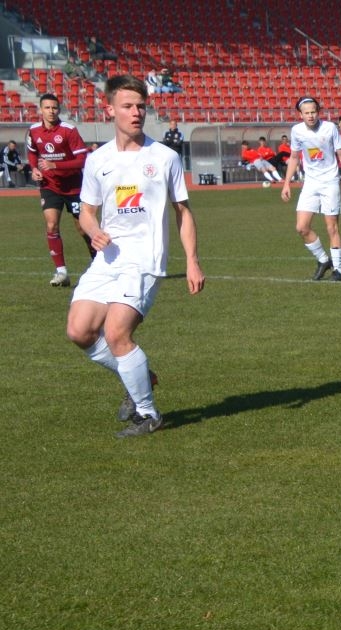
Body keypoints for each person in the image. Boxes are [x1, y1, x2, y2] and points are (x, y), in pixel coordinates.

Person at [65, 75, 204, 438]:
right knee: (79, 331)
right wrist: (93, 230)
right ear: (110, 109)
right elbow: (87, 211)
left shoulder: (164, 158)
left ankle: (148, 413)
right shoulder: (98, 160)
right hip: (107, 259)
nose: (136, 112)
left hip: (144, 260)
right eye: (127, 106)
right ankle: (141, 376)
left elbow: (183, 211)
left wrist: (192, 260)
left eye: (141, 106)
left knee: (116, 332)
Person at [281, 97, 341, 281]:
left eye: (313, 112)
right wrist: (286, 183)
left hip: (330, 181)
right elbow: (295, 157)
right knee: (301, 227)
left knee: (332, 228)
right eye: (306, 113)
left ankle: (338, 270)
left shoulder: (330, 128)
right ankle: (323, 260)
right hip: (310, 183)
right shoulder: (297, 131)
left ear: (318, 111)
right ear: (300, 114)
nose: (310, 116)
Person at [29, 92, 92, 287]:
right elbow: (32, 153)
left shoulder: (68, 130)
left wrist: (56, 166)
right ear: (41, 109)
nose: (51, 111)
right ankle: (61, 272)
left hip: (74, 187)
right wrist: (34, 169)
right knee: (51, 225)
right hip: (50, 186)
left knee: (83, 228)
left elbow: (82, 160)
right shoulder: (33, 131)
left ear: (59, 110)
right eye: (47, 107)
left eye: (54, 108)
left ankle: (99, 263)